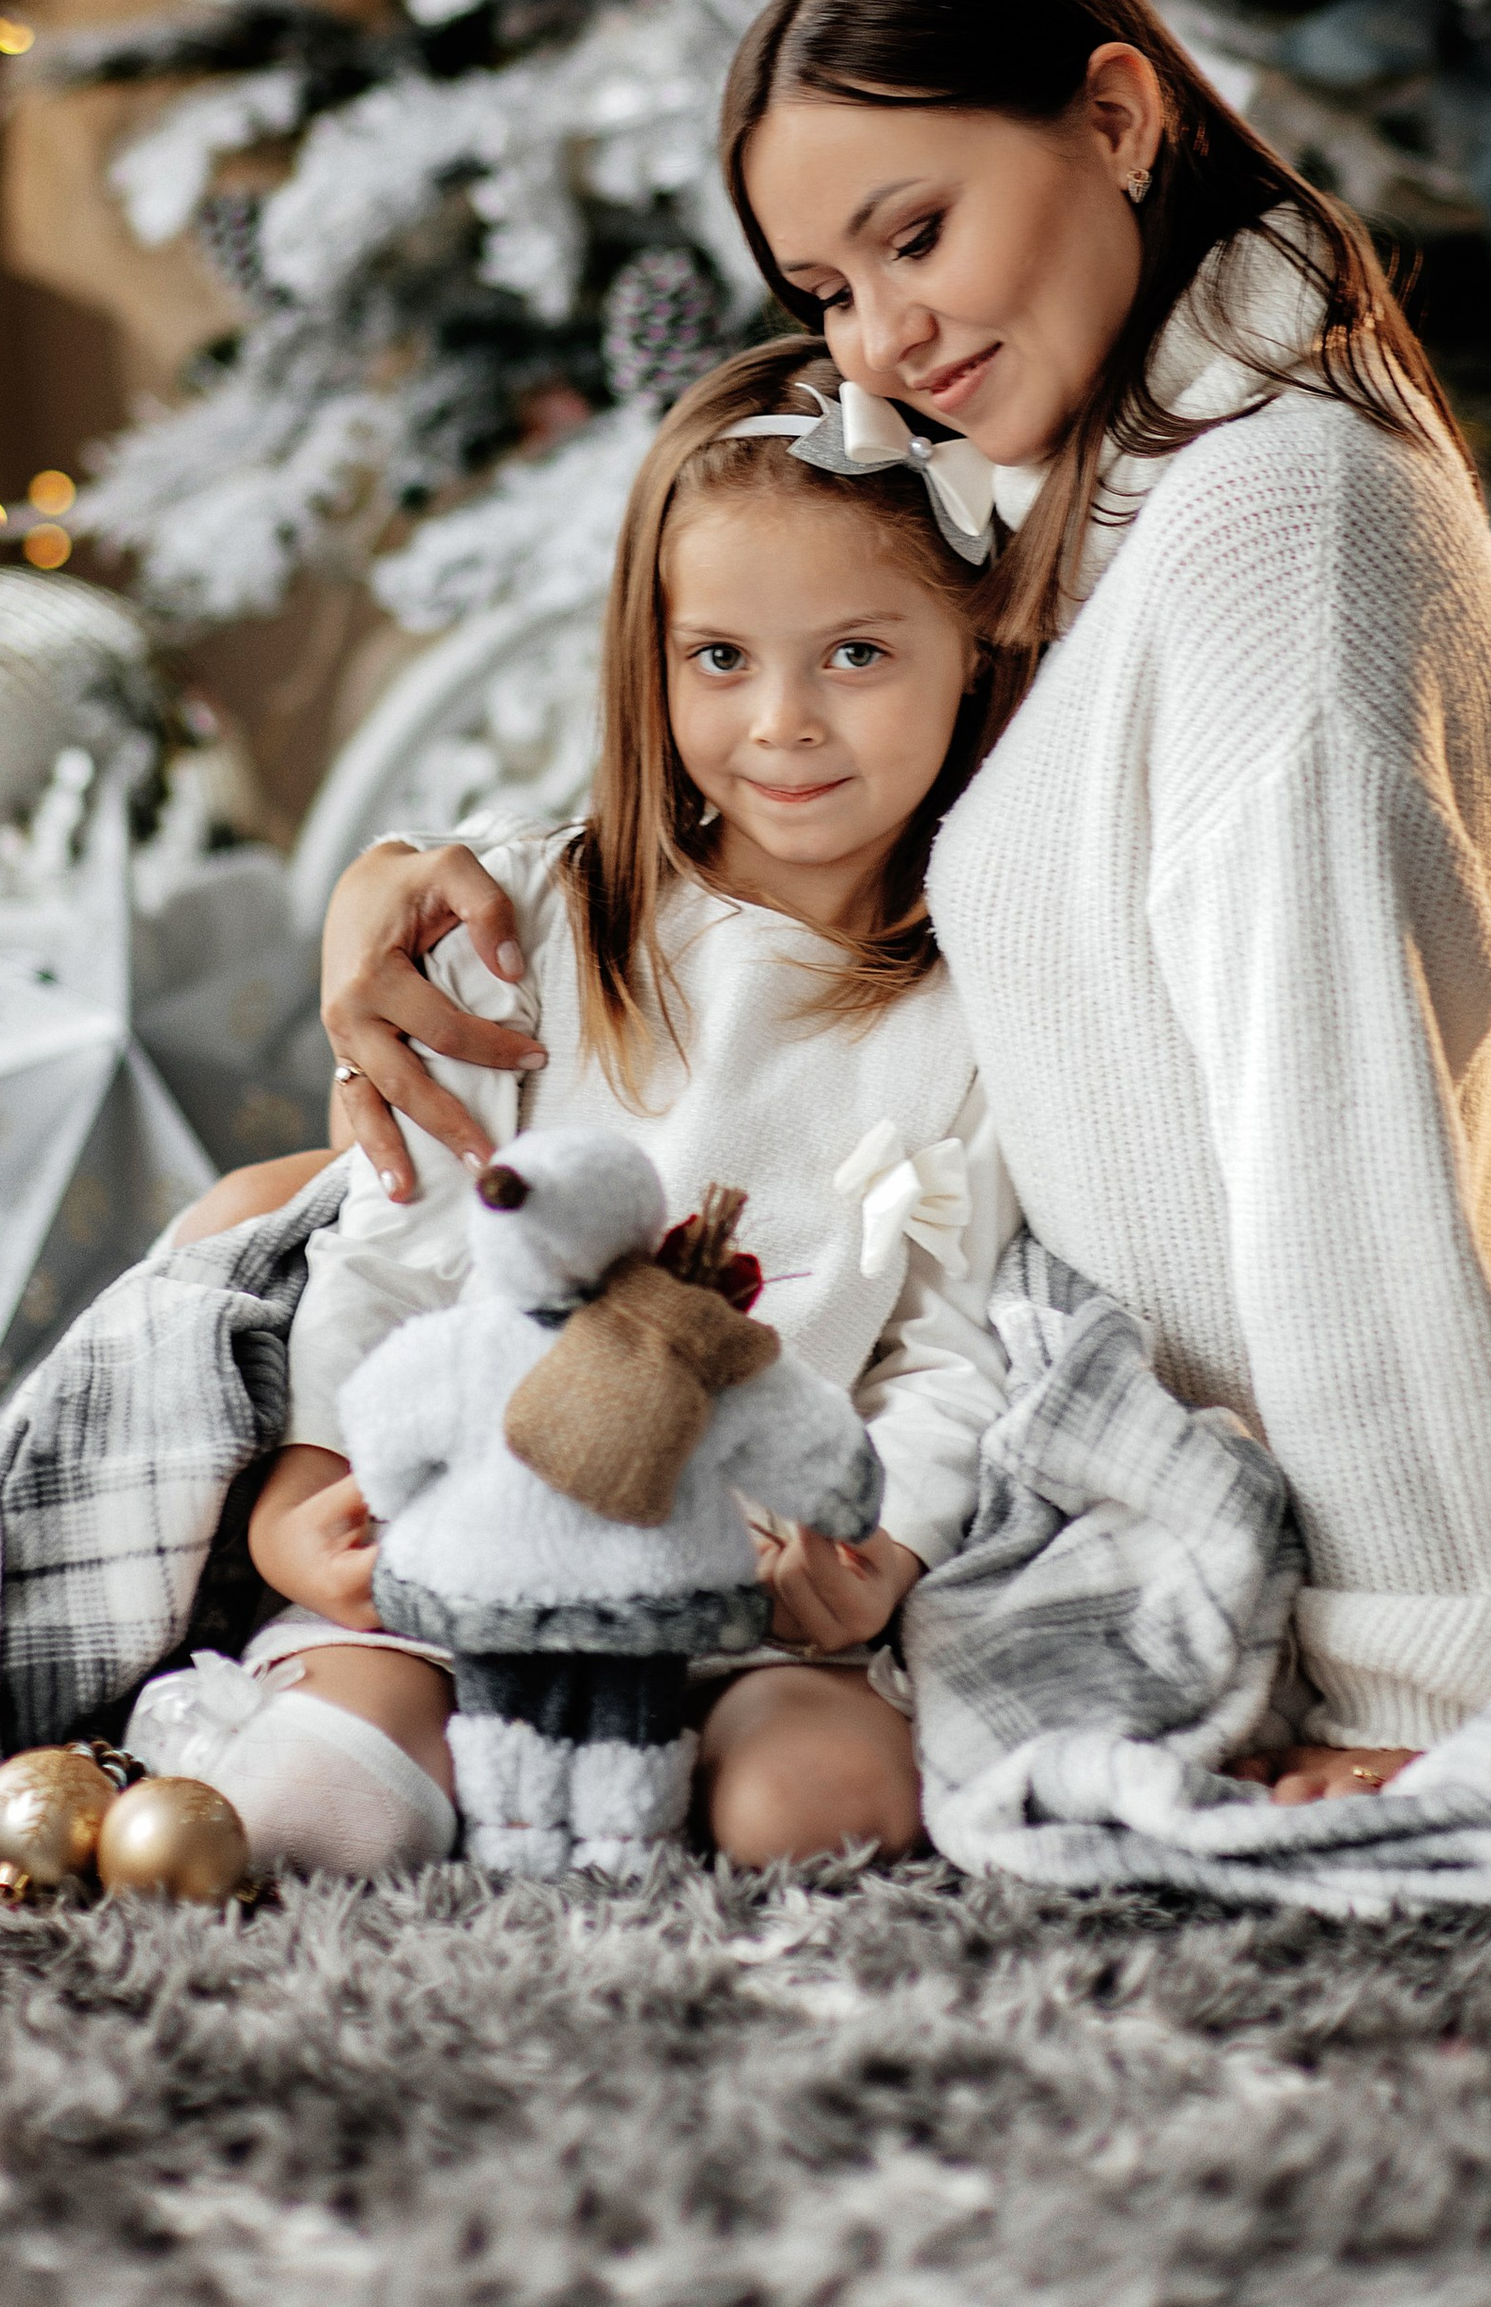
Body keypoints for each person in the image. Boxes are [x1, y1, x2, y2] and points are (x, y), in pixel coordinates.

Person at [312, 0, 1491, 1806]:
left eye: (916, 235)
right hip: (979, 1317)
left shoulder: (1275, 526)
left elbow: (1346, 1136)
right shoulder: (1097, 485)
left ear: (1115, 117)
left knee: (288, 1306)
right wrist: (419, 868)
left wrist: (1408, 1681)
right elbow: (794, 784)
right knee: (281, 1236)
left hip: (1112, 1451)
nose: (885, 339)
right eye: (827, 291)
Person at [148, 337, 1023, 1880]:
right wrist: (311, 1485)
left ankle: (611, 1771)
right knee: (317, 1809)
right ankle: (473, 1757)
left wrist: (880, 1557)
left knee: (813, 1818)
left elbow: (946, 1340)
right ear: (654, 659)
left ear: (976, 651)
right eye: (721, 660)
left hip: (743, 1590)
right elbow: (398, 1234)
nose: (784, 724)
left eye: (860, 656)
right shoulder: (538, 917)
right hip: (470, 1549)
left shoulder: (978, 997)